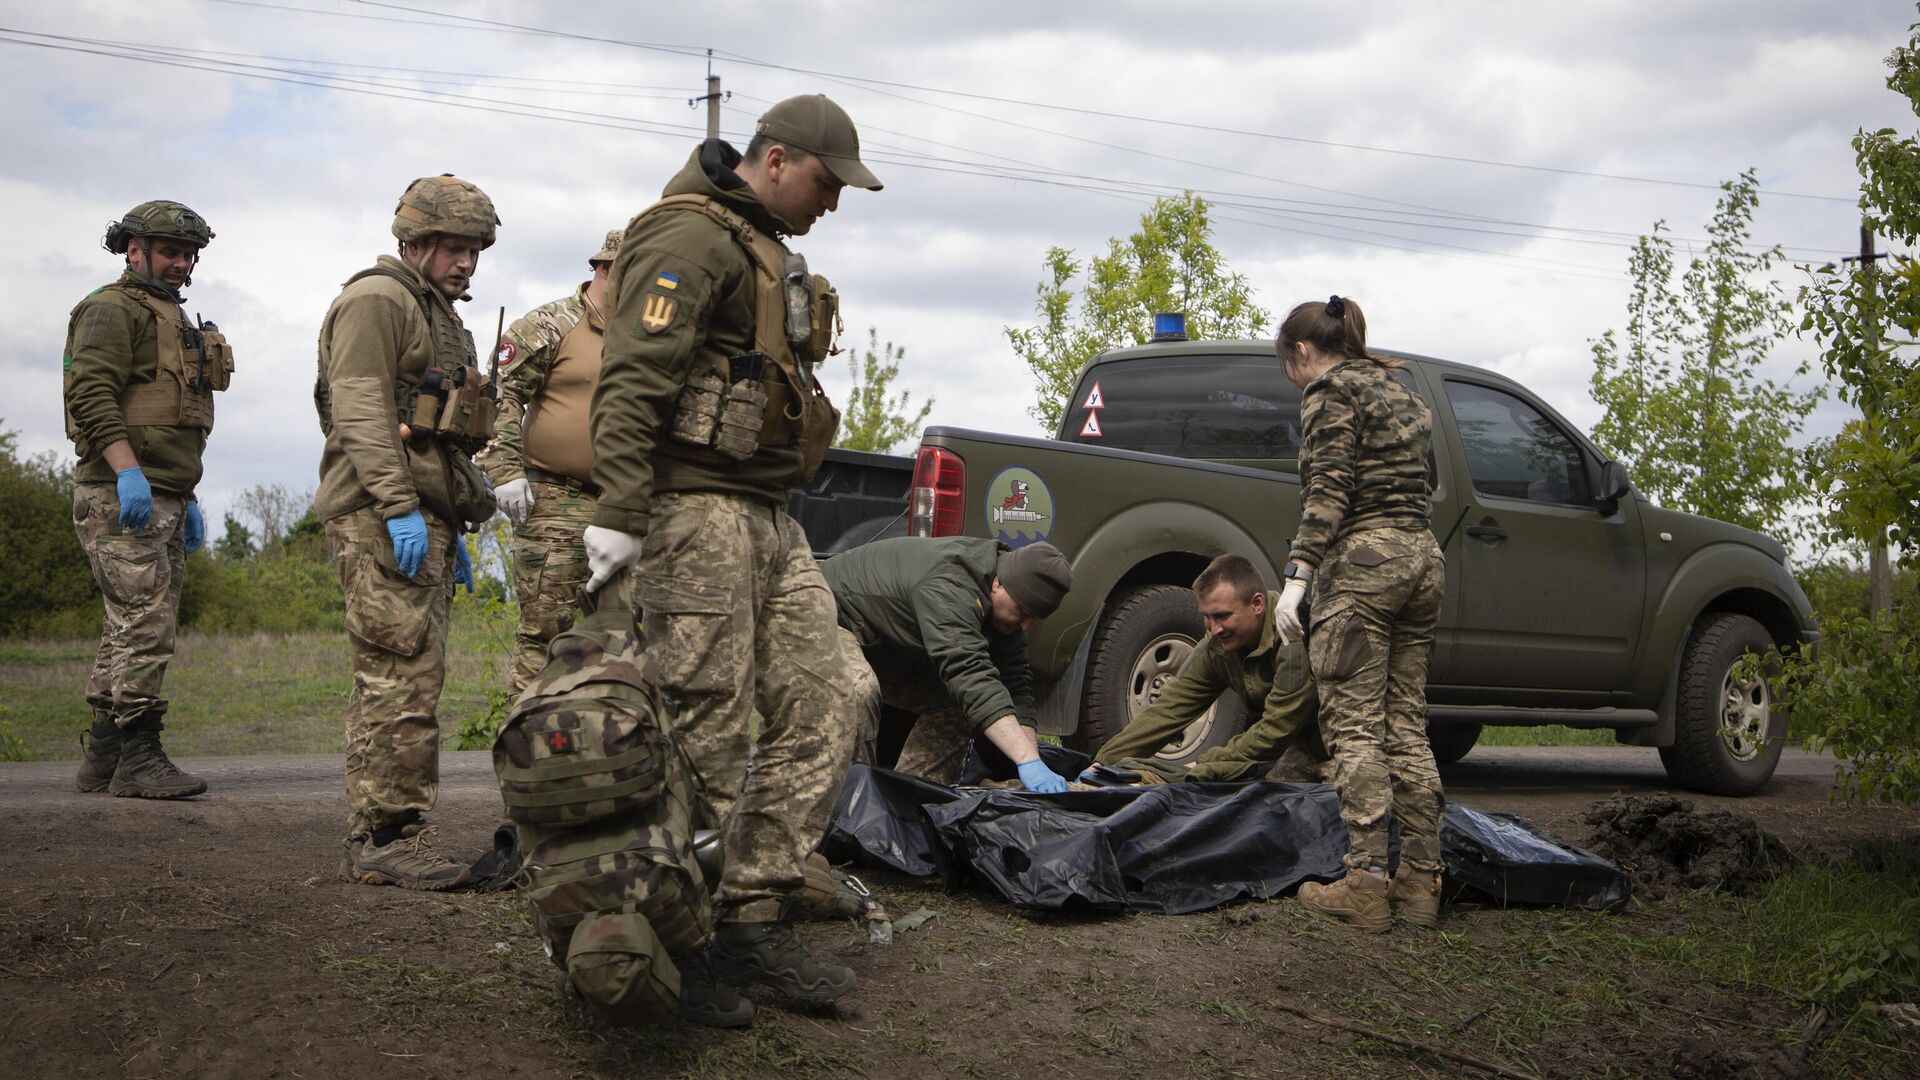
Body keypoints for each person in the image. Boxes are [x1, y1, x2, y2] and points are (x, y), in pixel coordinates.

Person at [583, 94, 882, 1020]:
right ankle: (684, 937)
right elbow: (633, 373)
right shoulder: (691, 237)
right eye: (828, 183)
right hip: (692, 509)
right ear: (779, 159)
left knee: (834, 691)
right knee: (705, 726)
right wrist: (623, 511)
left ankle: (755, 911)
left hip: (766, 511)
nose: (833, 203)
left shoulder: (764, 248)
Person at [315, 174, 501, 890]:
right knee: (396, 679)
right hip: (381, 513)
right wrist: (396, 507)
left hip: (424, 514)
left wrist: (456, 513)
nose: (466, 263)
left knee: (412, 675)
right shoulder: (378, 300)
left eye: (474, 250)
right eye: (452, 247)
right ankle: (388, 836)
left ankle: (386, 830)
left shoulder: (437, 313)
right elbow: (358, 409)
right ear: (414, 242)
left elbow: (442, 427)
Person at [1277, 295, 1446, 932]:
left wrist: (1298, 579)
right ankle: (1421, 883)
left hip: (1366, 566)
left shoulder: (1328, 393)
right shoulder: (1403, 391)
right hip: (1423, 559)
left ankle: (1366, 883)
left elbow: (1329, 489)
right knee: (1406, 722)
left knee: (1355, 728)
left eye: (1286, 364)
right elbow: (1420, 485)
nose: (1291, 379)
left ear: (1301, 351)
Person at [65, 200, 230, 799]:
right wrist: (127, 472)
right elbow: (90, 393)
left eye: (188, 254)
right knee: (145, 622)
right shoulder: (111, 310)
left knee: (126, 625)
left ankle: (103, 759)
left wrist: (182, 495)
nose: (181, 263)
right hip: (120, 491)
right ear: (133, 249)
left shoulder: (174, 318)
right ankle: (138, 756)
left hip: (165, 493)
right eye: (169, 251)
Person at [477, 228, 623, 695]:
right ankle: (528, 752)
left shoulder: (650, 336)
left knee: (621, 636)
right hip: (555, 501)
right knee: (546, 632)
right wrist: (504, 470)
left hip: (624, 505)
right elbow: (499, 393)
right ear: (604, 269)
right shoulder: (551, 323)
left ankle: (603, 750)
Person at [824, 537, 1074, 792]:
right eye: (1022, 612)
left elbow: (1015, 687)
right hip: (823, 614)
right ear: (998, 583)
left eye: (1033, 618)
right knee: (856, 689)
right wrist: (1026, 760)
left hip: (881, 639)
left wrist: (1032, 762)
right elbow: (967, 672)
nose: (1024, 626)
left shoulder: (1004, 606)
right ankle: (845, 804)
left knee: (960, 704)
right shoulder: (950, 584)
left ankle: (910, 799)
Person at [1080, 554, 1324, 785]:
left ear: (1257, 604)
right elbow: (1170, 709)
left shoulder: (1291, 635)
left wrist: (1203, 765)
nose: (1215, 628)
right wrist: (1104, 761)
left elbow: (1277, 728)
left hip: (1343, 736)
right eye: (1207, 617)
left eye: (1222, 616)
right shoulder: (1217, 648)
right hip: (1300, 742)